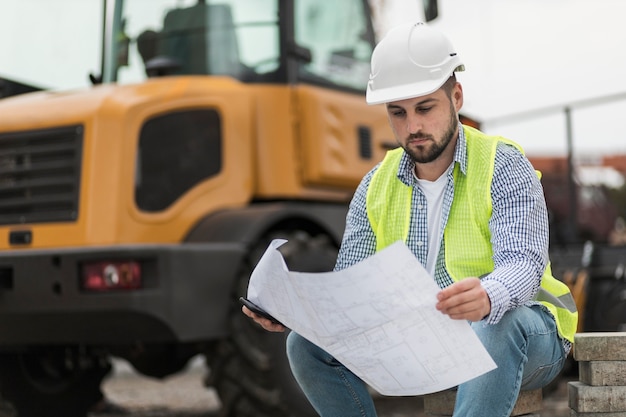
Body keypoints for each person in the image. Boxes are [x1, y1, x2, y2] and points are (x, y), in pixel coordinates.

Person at [243, 22, 578, 417]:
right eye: (397, 113)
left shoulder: (502, 164)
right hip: (430, 340)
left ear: (456, 97)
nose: (412, 127)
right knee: (303, 345)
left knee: (495, 325)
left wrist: (489, 296)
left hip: (527, 335)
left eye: (425, 108)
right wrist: (299, 313)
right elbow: (355, 289)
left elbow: (524, 262)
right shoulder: (375, 185)